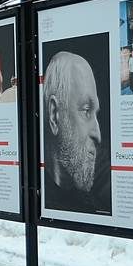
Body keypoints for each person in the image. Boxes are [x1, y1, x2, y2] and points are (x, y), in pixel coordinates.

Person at [42, 51, 109, 215]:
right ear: (54, 115)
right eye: (86, 111)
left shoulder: (104, 172)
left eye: (96, 114)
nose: (98, 135)